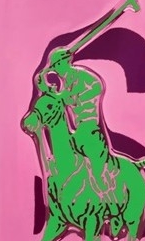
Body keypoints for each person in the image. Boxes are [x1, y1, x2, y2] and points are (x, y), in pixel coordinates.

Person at [41, 47, 114, 197]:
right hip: (78, 129)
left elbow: (96, 86)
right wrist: (47, 90)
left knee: (96, 163)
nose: (57, 70)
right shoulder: (67, 82)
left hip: (89, 127)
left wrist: (75, 95)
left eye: (57, 65)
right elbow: (62, 100)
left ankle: (106, 191)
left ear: (65, 62)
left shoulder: (81, 75)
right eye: (54, 67)